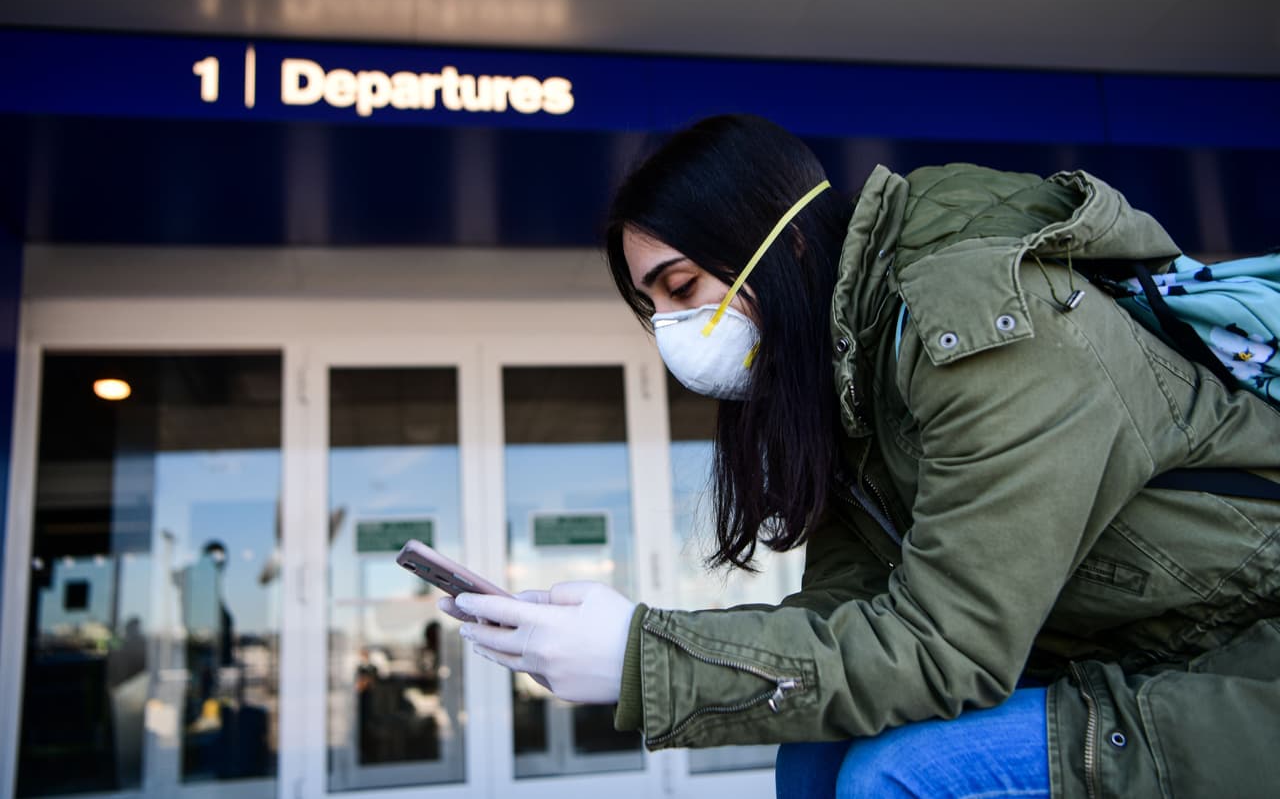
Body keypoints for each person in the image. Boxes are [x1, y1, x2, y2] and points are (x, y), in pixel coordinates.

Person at [441, 114, 1280, 798]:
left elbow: (943, 646)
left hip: (1244, 661)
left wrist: (642, 658)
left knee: (903, 775)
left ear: (786, 246)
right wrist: (635, 636)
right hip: (1138, 649)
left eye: (682, 285)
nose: (669, 328)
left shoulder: (986, 331)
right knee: (815, 752)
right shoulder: (846, 380)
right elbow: (848, 607)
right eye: (651, 303)